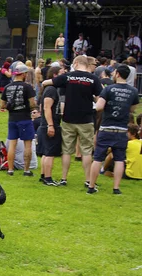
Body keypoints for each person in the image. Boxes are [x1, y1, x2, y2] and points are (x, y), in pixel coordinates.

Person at [42, 55, 102, 187]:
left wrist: (43, 84)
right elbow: (100, 97)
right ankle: (87, 180)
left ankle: (64, 178)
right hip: (86, 119)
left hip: (68, 118)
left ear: (76, 63)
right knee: (86, 150)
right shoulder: (94, 79)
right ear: (86, 64)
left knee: (67, 150)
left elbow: (49, 82)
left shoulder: (68, 76)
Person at [87, 65, 139, 194]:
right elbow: (133, 110)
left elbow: (99, 107)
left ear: (117, 74)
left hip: (106, 128)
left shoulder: (108, 89)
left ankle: (91, 186)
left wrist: (94, 100)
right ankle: (116, 188)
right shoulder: (133, 91)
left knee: (98, 157)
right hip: (122, 129)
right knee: (119, 159)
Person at [0, 64, 37, 176]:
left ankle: (10, 170)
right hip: (25, 118)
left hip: (12, 118)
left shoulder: (7, 87)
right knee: (27, 144)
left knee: (12, 145)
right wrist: (31, 109)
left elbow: (2, 105)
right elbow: (32, 103)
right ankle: (26, 170)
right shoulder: (27, 87)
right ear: (24, 74)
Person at [37, 66, 65, 186]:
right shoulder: (51, 90)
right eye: (62, 74)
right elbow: (46, 107)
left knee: (46, 152)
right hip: (49, 124)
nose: (64, 76)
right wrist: (51, 125)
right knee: (50, 153)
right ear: (54, 75)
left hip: (46, 124)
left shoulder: (49, 89)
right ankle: (48, 178)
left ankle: (43, 175)